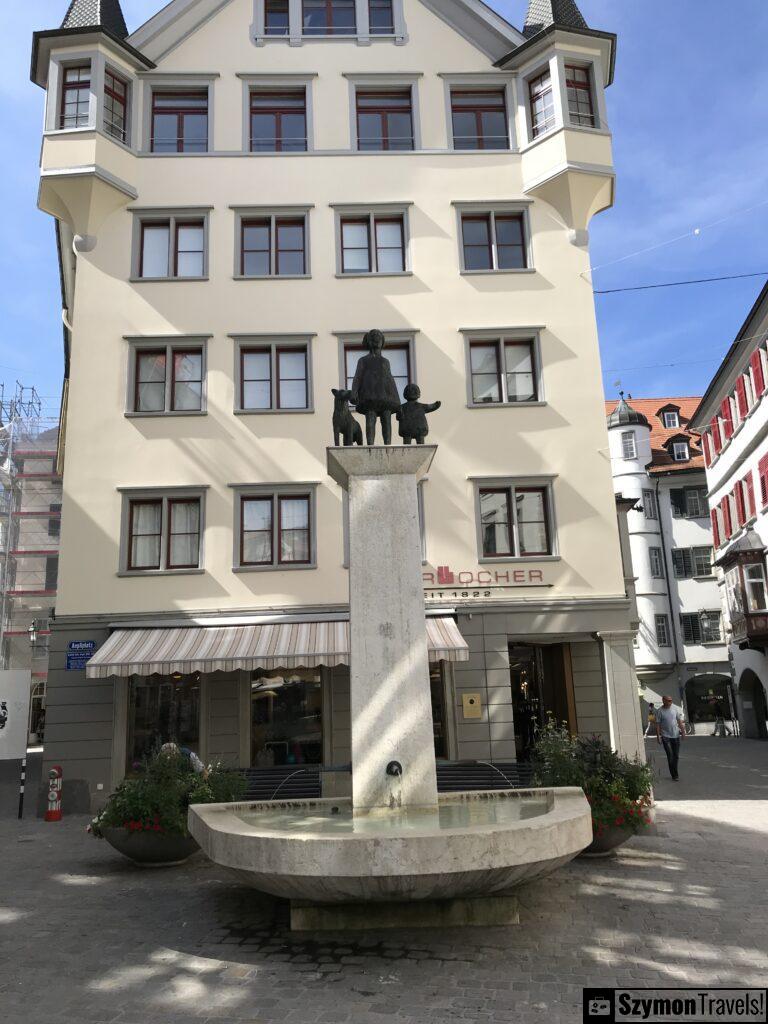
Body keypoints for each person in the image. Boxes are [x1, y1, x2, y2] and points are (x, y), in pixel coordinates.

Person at [655, 695, 685, 780]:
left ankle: (674, 772)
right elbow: (657, 725)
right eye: (668, 700)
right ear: (663, 700)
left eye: (671, 700)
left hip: (675, 735)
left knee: (676, 756)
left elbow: (679, 721)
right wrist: (658, 737)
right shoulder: (659, 711)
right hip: (665, 736)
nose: (670, 702)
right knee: (670, 755)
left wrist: (683, 732)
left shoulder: (674, 709)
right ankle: (675, 775)